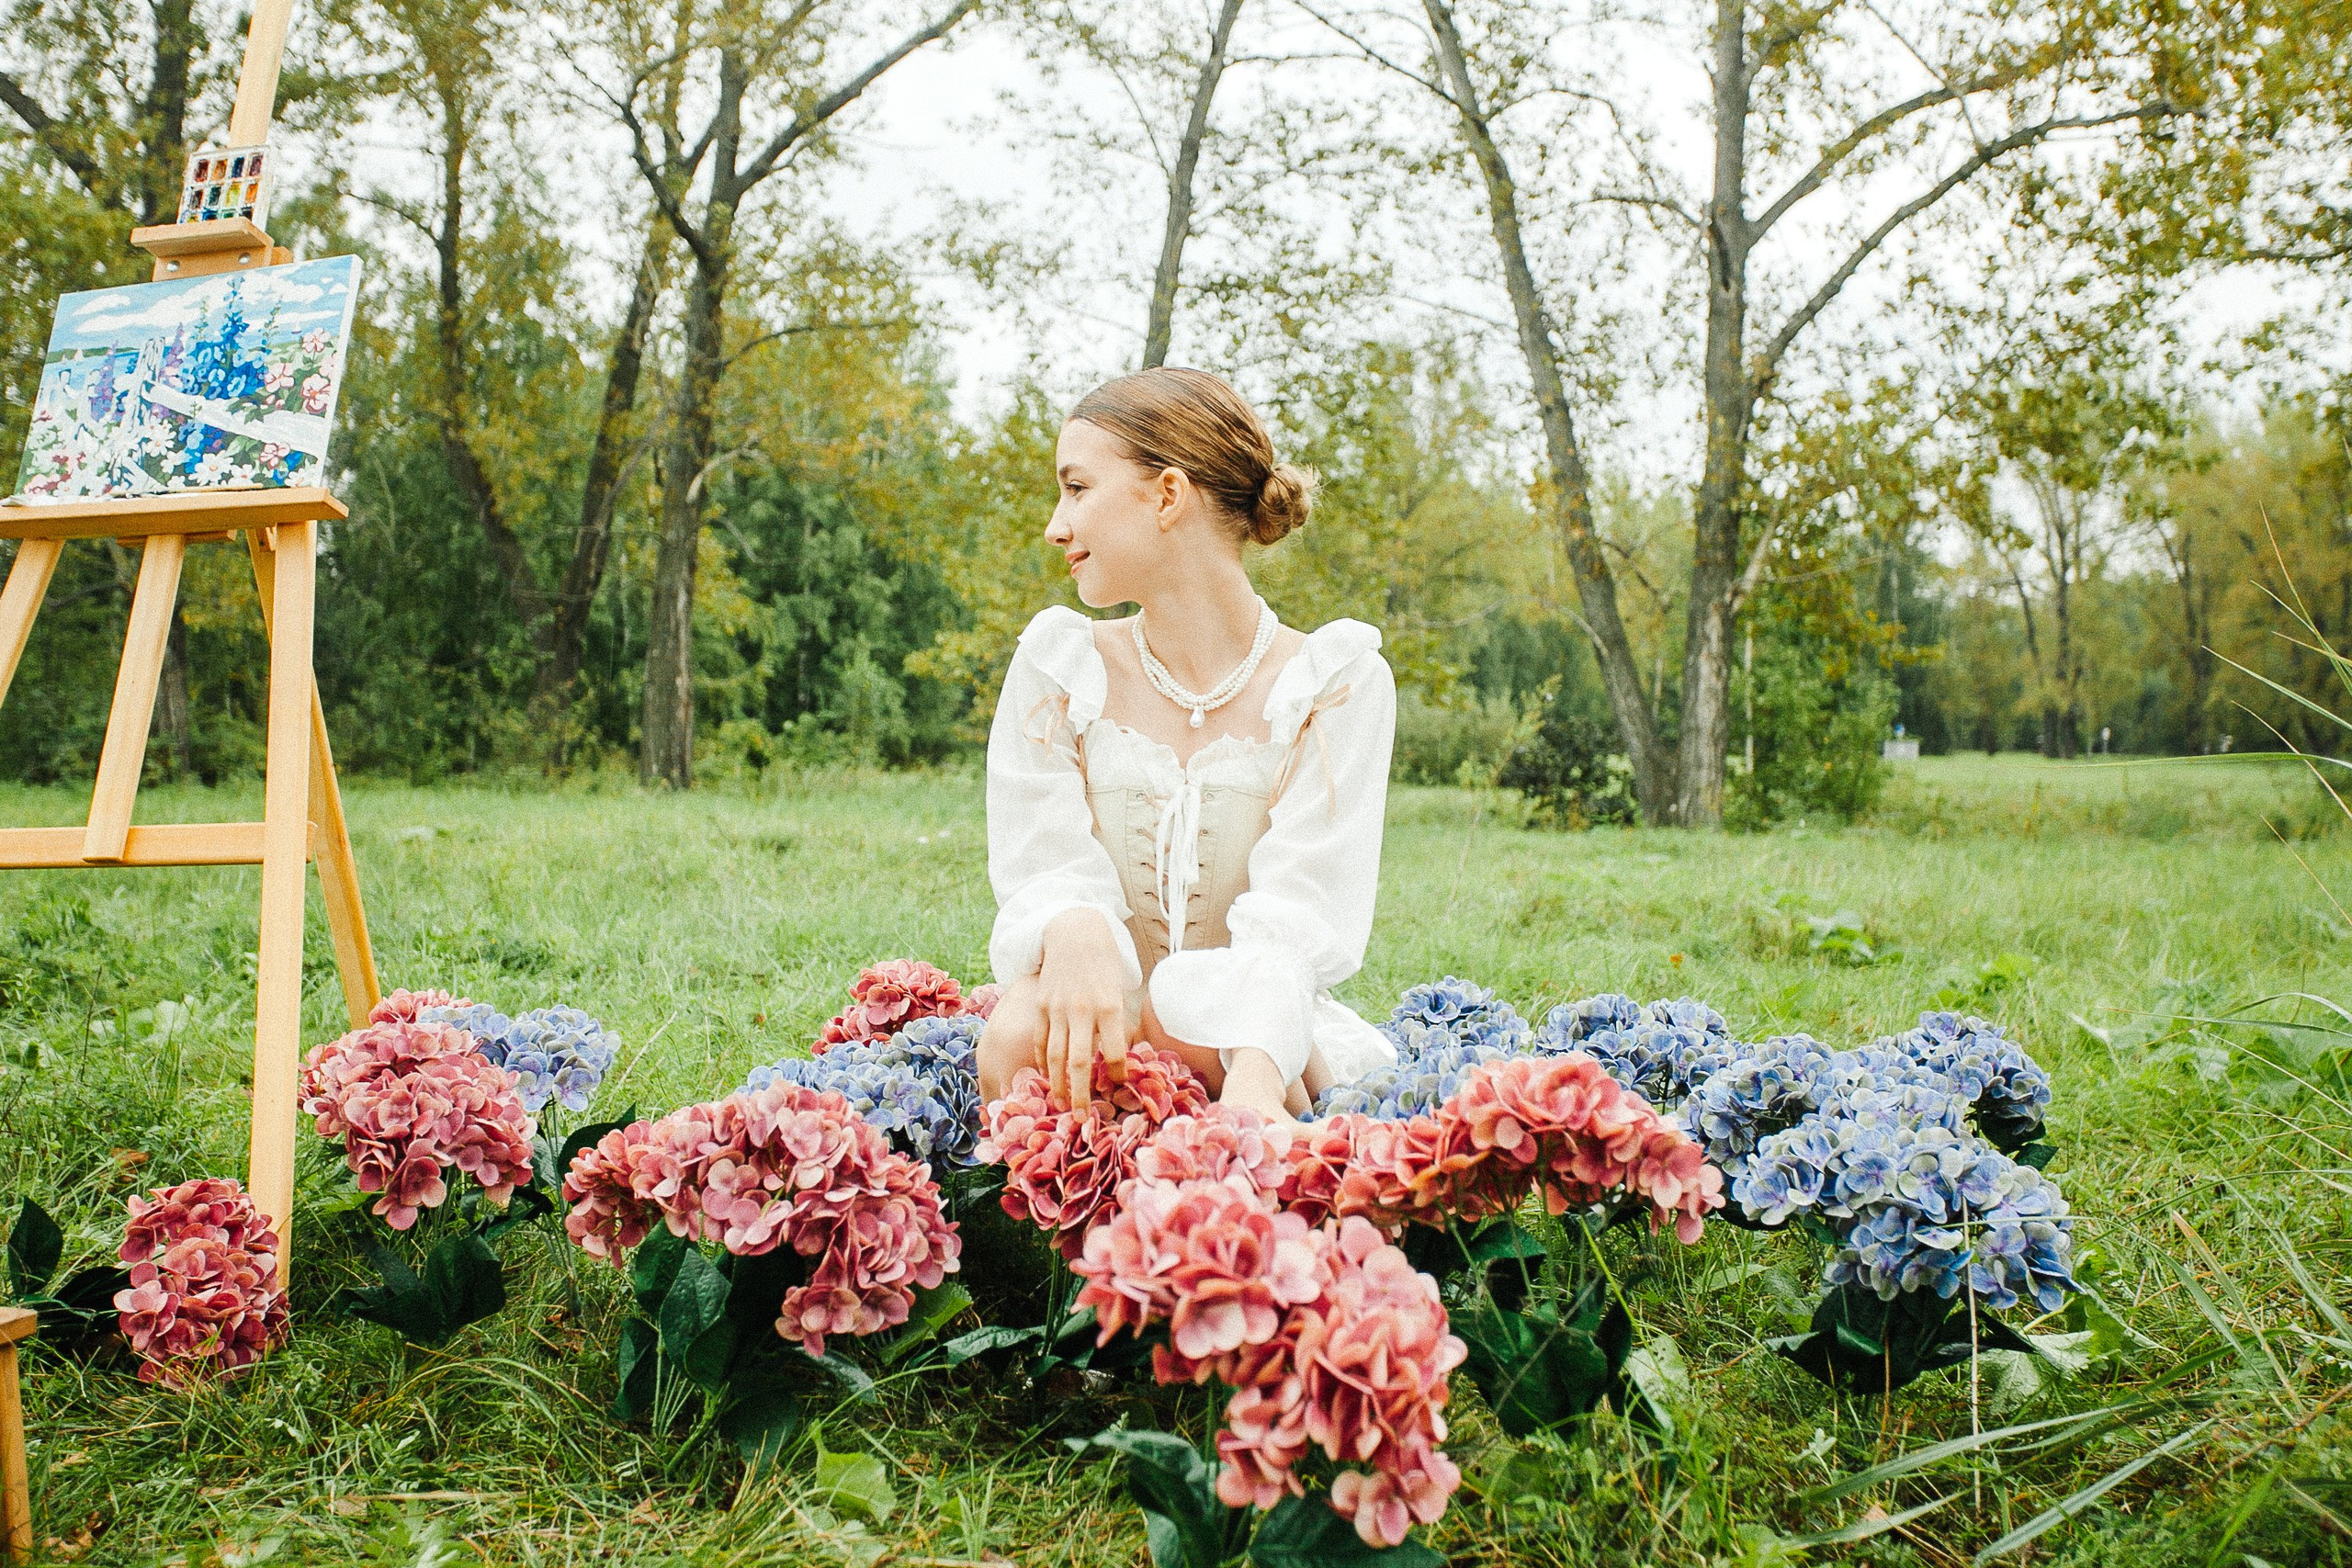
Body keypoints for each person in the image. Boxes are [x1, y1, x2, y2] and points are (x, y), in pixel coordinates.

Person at [975, 367, 1398, 1124]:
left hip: (1256, 1018)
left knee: (1190, 1026)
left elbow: (1301, 912)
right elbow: (1040, 856)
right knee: (1016, 1030)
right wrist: (1072, 923)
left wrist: (1259, 1076)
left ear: (1168, 496)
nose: (1055, 525)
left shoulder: (1336, 683)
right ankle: (1065, 1229)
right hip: (1098, 1005)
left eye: (1077, 488)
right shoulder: (1057, 666)